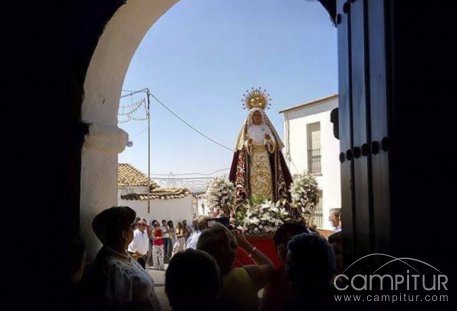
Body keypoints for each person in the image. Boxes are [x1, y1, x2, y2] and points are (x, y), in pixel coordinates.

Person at [88, 206, 162, 310]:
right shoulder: (113, 268)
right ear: (124, 234)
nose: (134, 228)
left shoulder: (122, 255)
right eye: (132, 226)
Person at [229, 94, 293, 212]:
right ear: (251, 117)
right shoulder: (248, 129)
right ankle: (255, 205)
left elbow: (274, 145)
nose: (257, 117)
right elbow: (242, 147)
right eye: (255, 115)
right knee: (254, 180)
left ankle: (269, 204)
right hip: (253, 157)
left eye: (259, 115)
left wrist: (269, 140)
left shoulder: (266, 128)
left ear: (262, 116)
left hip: (264, 156)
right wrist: (249, 143)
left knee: (266, 178)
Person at [197, 223, 274, 311]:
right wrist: (245, 244)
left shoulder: (197, 286)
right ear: (234, 246)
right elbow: (269, 267)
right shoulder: (246, 275)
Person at [259, 222, 309, 311]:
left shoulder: (315, 278)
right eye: (279, 242)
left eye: (287, 242)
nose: (281, 247)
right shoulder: (278, 276)